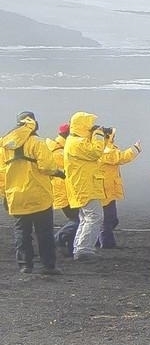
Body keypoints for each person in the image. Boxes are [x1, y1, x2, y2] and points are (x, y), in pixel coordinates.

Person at [2, 112, 63, 274]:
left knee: (22, 231)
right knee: (44, 232)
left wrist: (4, 195)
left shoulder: (4, 145)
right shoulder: (37, 142)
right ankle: (48, 265)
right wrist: (58, 173)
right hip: (39, 195)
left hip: (16, 197)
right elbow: (47, 167)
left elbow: (1, 174)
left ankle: (25, 265)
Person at [63, 111, 111, 261]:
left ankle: (80, 248)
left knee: (86, 218)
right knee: (94, 217)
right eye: (89, 125)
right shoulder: (76, 143)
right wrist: (97, 135)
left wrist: (100, 136)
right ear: (83, 126)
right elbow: (96, 152)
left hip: (84, 186)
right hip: (84, 187)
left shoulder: (75, 141)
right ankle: (84, 249)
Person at [96, 126, 141, 249]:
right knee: (109, 218)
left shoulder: (104, 148)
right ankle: (106, 243)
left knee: (110, 218)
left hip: (107, 187)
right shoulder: (105, 150)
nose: (114, 138)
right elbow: (121, 157)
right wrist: (135, 148)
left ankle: (96, 239)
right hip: (105, 189)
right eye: (112, 136)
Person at [48, 123, 79, 258]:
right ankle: (57, 239)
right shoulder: (60, 152)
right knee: (76, 220)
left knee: (76, 219)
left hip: (65, 191)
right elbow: (71, 170)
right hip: (64, 192)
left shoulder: (58, 148)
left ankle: (71, 249)